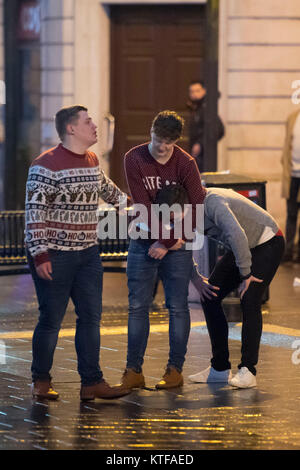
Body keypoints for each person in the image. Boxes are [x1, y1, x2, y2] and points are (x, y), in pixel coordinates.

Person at [25, 105, 130, 401]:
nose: (94, 126)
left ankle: (91, 382)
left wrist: (136, 207)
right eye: (88, 122)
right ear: (71, 129)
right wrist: (40, 254)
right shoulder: (45, 165)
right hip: (55, 255)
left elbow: (109, 192)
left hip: (87, 254)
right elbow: (35, 212)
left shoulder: (92, 160)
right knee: (51, 319)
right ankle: (41, 380)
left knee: (90, 317)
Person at [118, 110, 206, 391]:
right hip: (143, 240)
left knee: (178, 307)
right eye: (158, 139)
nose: (162, 147)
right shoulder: (134, 158)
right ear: (151, 131)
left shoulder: (185, 162)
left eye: (169, 142)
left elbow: (198, 205)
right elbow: (142, 205)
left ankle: (175, 370)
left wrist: (168, 243)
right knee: (137, 307)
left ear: (176, 141)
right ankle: (133, 371)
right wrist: (164, 241)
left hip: (176, 244)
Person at [189, 187, 285, 388]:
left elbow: (236, 234)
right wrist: (196, 278)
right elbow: (181, 246)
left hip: (267, 240)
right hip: (242, 245)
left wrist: (246, 274)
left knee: (249, 298)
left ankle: (248, 370)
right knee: (210, 295)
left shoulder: (212, 202)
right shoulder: (179, 211)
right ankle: (220, 368)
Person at [187, 80, 225, 173]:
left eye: (197, 91)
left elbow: (219, 129)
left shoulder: (206, 108)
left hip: (205, 155)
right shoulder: (196, 108)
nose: (194, 94)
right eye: (192, 91)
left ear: (204, 91)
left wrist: (200, 144)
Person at [281, 108, 300, 263]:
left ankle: (299, 252)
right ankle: (288, 251)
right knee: (291, 213)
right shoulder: (293, 117)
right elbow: (287, 144)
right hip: (292, 174)